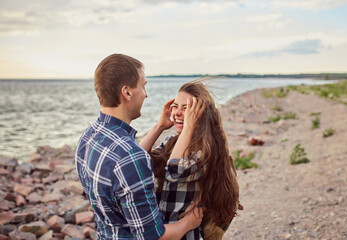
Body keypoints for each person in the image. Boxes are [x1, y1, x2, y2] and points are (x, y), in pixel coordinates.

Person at [75, 54, 204, 240]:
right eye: (143, 86)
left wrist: (159, 126)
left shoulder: (88, 137)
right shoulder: (129, 156)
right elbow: (153, 237)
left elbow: (125, 169)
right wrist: (189, 223)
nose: (146, 94)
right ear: (127, 92)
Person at [140, 80, 240, 240]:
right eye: (176, 106)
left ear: (200, 113)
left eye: (186, 108)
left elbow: (174, 171)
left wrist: (188, 127)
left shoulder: (204, 150)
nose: (177, 113)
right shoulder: (174, 141)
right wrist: (159, 126)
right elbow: (137, 161)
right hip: (165, 231)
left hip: (186, 235)